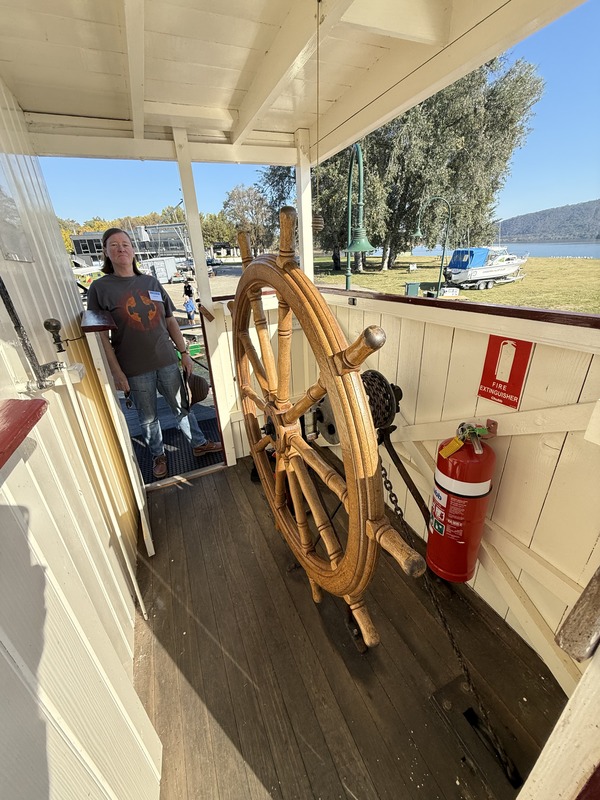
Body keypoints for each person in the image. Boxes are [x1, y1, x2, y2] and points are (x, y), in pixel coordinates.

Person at [87, 228, 222, 479]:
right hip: (134, 368)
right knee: (148, 418)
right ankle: (158, 455)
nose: (121, 248)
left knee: (181, 407)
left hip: (167, 360)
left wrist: (184, 353)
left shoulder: (151, 282)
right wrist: (117, 373)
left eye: (125, 244)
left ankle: (199, 444)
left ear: (133, 250)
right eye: (114, 245)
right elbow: (101, 337)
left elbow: (170, 321)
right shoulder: (99, 288)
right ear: (105, 251)